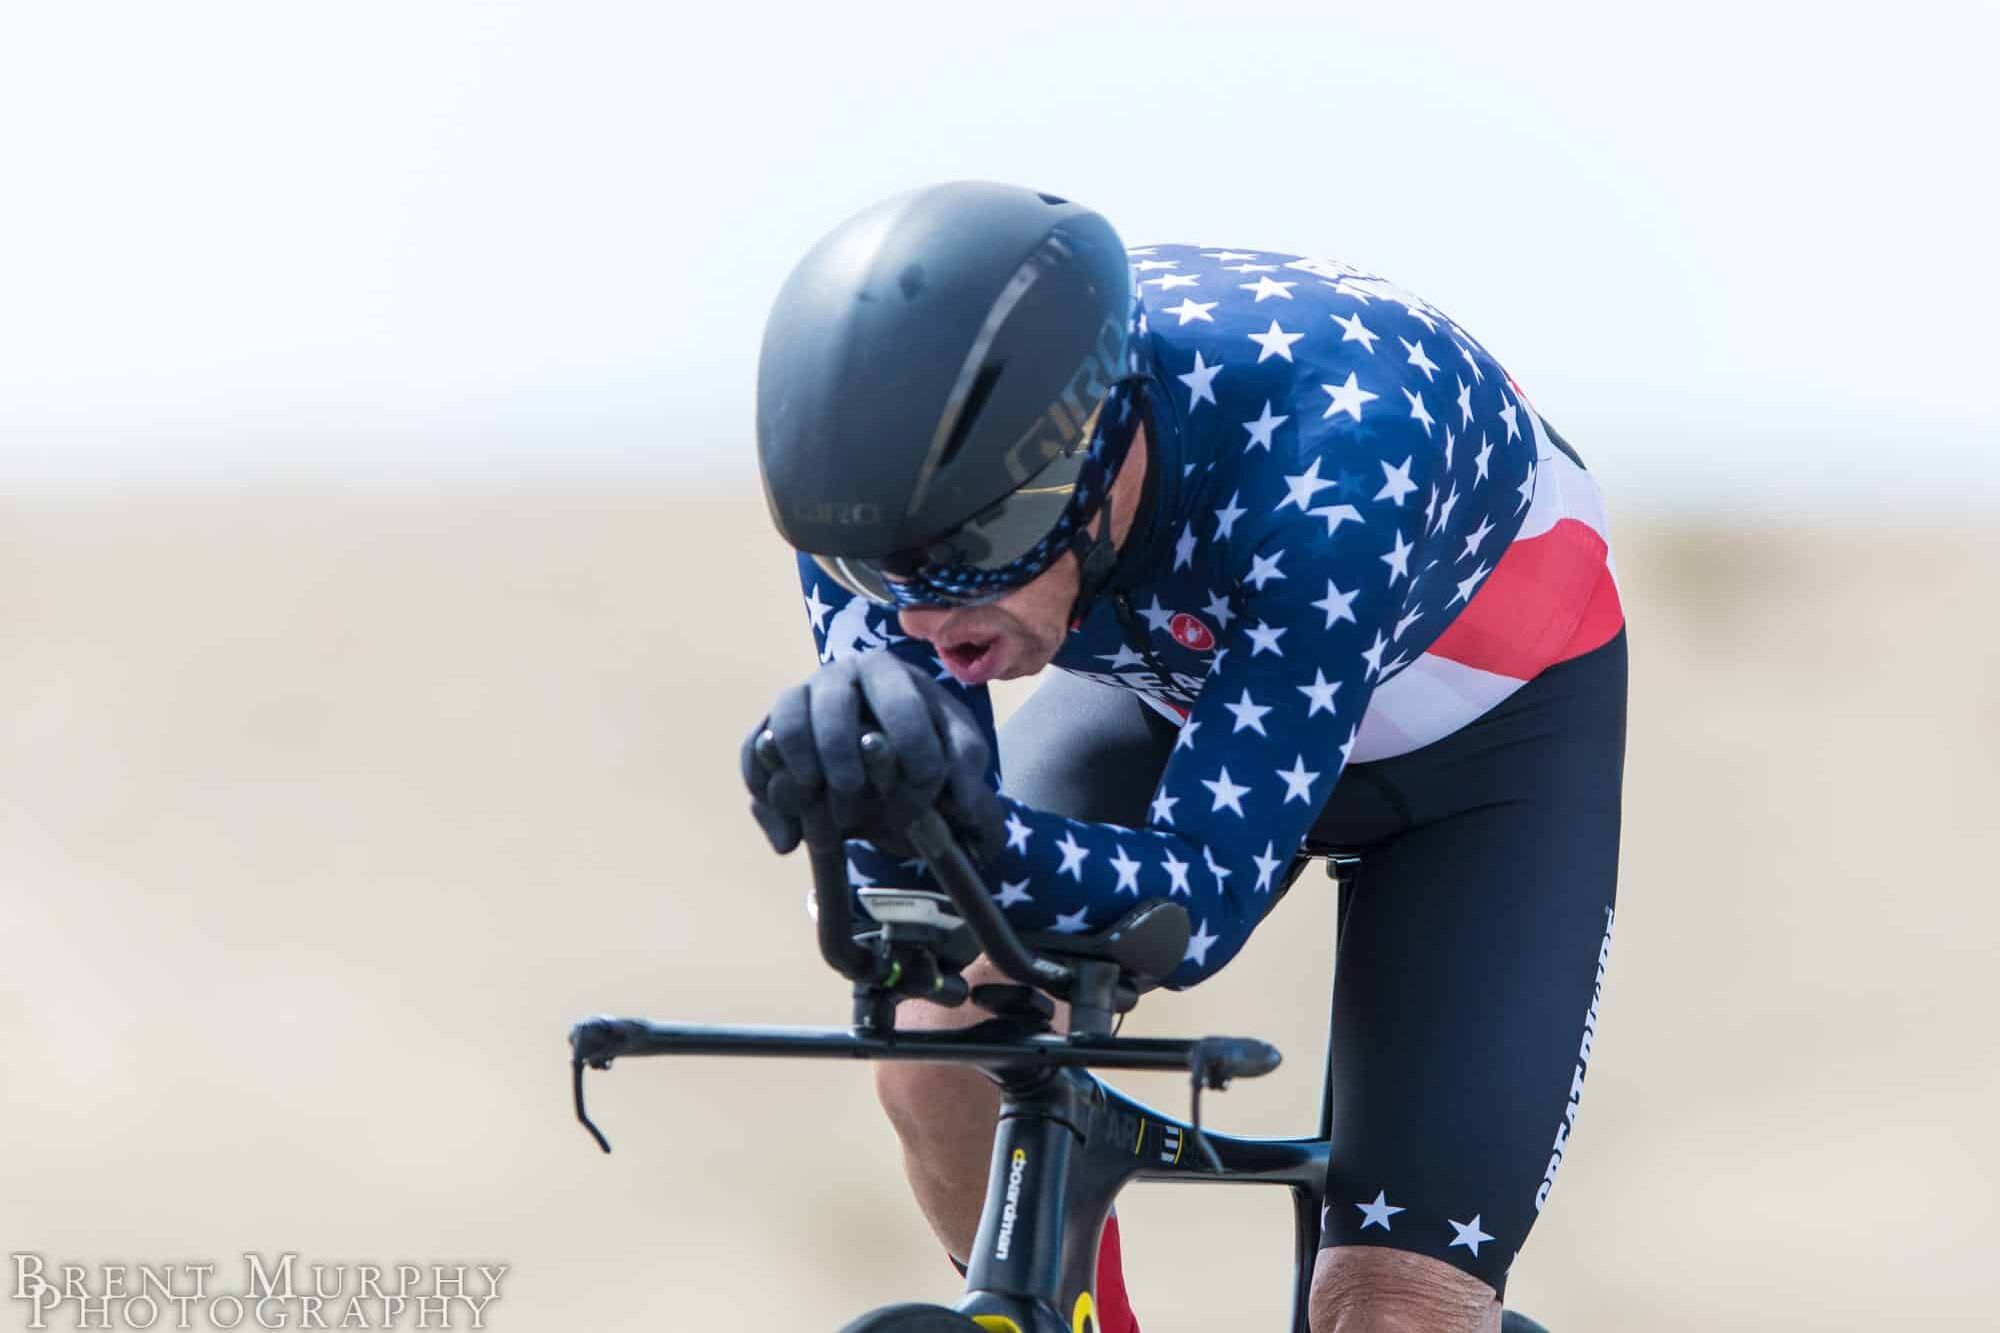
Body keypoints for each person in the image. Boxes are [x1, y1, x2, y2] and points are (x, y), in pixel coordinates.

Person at [742, 181, 1626, 1333]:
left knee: (1388, 1303)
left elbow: (1195, 905)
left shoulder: (1340, 451)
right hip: (1184, 682)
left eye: (980, 546)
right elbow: (918, 894)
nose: (924, 616)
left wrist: (968, 833)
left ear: (1101, 459)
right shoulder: (881, 496)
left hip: (1486, 746)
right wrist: (864, 805)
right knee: (937, 1051)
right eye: (870, 572)